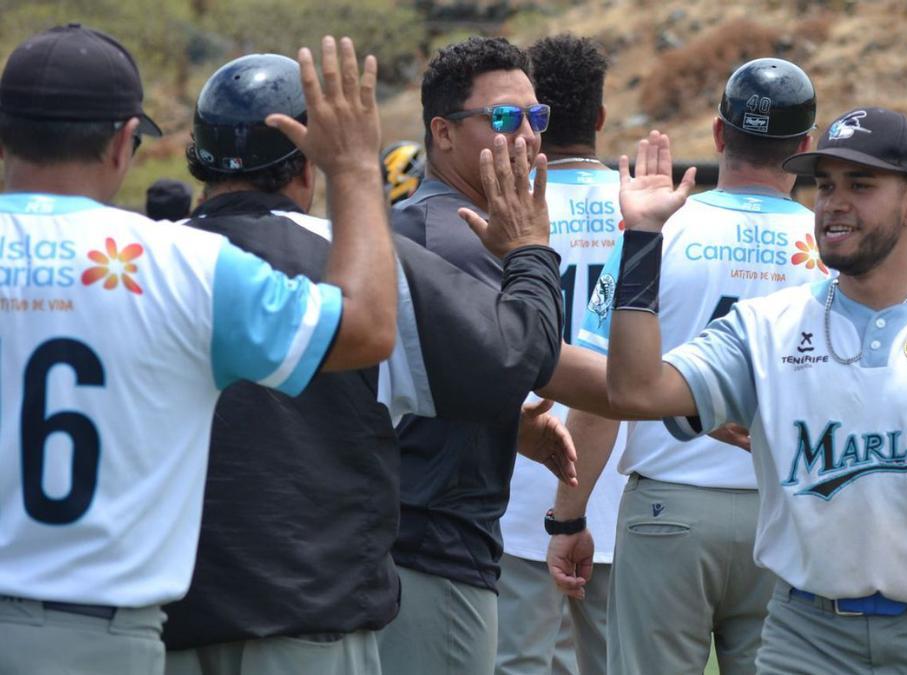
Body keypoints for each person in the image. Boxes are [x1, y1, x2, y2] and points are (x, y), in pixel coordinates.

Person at [600, 114, 907, 674]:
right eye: (825, 185)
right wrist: (641, 240)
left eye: (861, 185)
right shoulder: (766, 327)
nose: (834, 202)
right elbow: (636, 390)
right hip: (805, 638)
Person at [0, 26, 398, 673]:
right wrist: (352, 167)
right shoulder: (184, 262)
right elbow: (368, 326)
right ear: (126, 141)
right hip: (102, 634)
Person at [161, 53, 570, 675]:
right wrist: (530, 252)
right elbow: (518, 359)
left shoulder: (144, 262)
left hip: (164, 608)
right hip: (309, 609)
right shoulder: (366, 260)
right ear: (308, 160)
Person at [548, 57, 828, 675]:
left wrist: (568, 514)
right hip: (789, 513)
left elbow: (602, 392)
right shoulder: (832, 247)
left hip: (668, 513)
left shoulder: (657, 230)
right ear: (806, 146)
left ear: (720, 134)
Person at [376, 35, 613, 675]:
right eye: (504, 119)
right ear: (442, 134)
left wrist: (508, 425)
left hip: (421, 535)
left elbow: (439, 382)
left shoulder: (424, 221)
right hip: (432, 545)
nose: (529, 136)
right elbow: (538, 363)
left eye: (537, 118)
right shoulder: (454, 237)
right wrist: (694, 393)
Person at [495, 34, 624, 675]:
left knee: (520, 662)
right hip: (626, 486)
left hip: (522, 482)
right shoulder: (649, 210)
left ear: (533, 113)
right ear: (600, 118)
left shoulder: (501, 205)